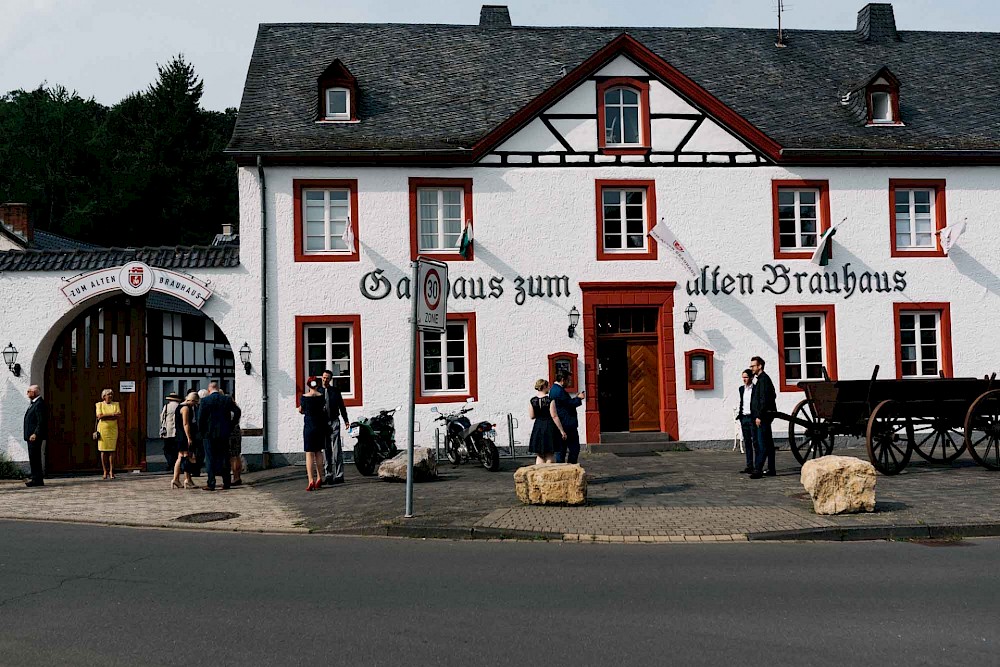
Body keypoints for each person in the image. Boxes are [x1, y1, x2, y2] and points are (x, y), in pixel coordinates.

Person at [197, 381, 241, 491]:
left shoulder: (205, 401)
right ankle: (226, 482)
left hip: (209, 434)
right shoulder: (226, 399)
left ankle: (211, 483)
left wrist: (202, 431)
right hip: (224, 433)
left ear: (209, 390)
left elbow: (200, 419)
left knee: (210, 458)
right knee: (225, 458)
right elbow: (237, 411)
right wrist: (231, 424)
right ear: (218, 388)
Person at [749, 356, 778, 479]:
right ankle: (771, 468)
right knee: (769, 444)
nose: (751, 368)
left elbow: (764, 400)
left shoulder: (764, 379)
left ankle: (758, 469)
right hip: (762, 415)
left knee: (763, 443)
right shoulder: (760, 380)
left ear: (759, 366)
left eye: (753, 366)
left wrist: (759, 416)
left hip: (764, 416)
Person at [550, 370, 584, 464]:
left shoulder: (554, 389)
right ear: (562, 380)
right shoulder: (559, 391)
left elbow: (565, 403)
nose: (569, 383)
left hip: (562, 423)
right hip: (567, 424)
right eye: (568, 380)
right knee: (573, 449)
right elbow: (569, 404)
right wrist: (579, 398)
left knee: (562, 450)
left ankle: (564, 468)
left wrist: (575, 398)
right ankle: (570, 468)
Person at [299, 377, 327, 491]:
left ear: (308, 385)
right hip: (319, 426)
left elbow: (301, 410)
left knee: (309, 453)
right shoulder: (321, 397)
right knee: (318, 452)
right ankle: (320, 477)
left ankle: (311, 480)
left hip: (309, 427)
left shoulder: (304, 398)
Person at [320, 369, 348, 485]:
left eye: (327, 378)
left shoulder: (335, 391)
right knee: (326, 449)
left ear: (331, 379)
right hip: (323, 422)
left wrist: (346, 420)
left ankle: (339, 475)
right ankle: (328, 474)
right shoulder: (318, 391)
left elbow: (342, 406)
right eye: (324, 377)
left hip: (334, 421)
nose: (325, 379)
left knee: (337, 449)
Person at [528, 379, 565, 465]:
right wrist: (561, 430)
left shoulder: (532, 400)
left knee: (540, 455)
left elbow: (532, 416)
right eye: (548, 386)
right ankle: (548, 475)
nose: (549, 388)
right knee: (549, 453)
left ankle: (539, 475)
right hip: (549, 426)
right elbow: (554, 416)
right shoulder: (550, 400)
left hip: (538, 426)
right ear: (544, 387)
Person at [171, 392, 199, 489]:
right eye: (194, 402)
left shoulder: (179, 407)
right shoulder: (186, 408)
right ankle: (187, 479)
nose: (194, 405)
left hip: (179, 434)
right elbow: (186, 424)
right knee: (187, 457)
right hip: (184, 435)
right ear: (191, 400)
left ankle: (176, 479)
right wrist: (189, 437)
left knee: (180, 457)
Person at [23, 385, 46, 487]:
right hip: (30, 436)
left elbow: (41, 421)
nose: (27, 393)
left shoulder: (39, 403)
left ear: (35, 392)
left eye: (29, 391)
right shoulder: (33, 403)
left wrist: (35, 433)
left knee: (35, 458)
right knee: (33, 458)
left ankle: (37, 479)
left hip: (34, 437)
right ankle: (36, 478)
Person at [95, 388, 121, 480]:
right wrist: (112, 415)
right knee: (103, 451)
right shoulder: (99, 404)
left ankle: (111, 471)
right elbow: (99, 416)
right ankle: (105, 471)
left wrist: (107, 416)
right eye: (108, 394)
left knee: (112, 450)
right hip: (103, 430)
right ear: (104, 396)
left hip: (113, 430)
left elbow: (118, 415)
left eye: (111, 394)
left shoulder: (116, 404)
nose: (110, 396)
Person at [735, 369, 755, 474]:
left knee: (755, 442)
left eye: (746, 377)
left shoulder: (755, 389)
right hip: (744, 417)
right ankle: (749, 465)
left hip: (752, 417)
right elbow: (742, 402)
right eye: (743, 377)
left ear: (751, 377)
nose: (744, 379)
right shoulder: (741, 389)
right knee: (747, 442)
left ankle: (757, 465)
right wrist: (741, 415)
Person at [159, 392, 182, 472]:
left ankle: (171, 464)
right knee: (176, 449)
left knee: (167, 449)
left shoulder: (166, 407)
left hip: (168, 431)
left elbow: (162, 418)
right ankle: (176, 464)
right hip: (177, 431)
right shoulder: (179, 406)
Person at [228, 394, 244, 486]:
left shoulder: (230, 411)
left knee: (233, 456)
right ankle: (238, 476)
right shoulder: (237, 409)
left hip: (231, 431)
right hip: (237, 430)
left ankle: (235, 477)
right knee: (237, 455)